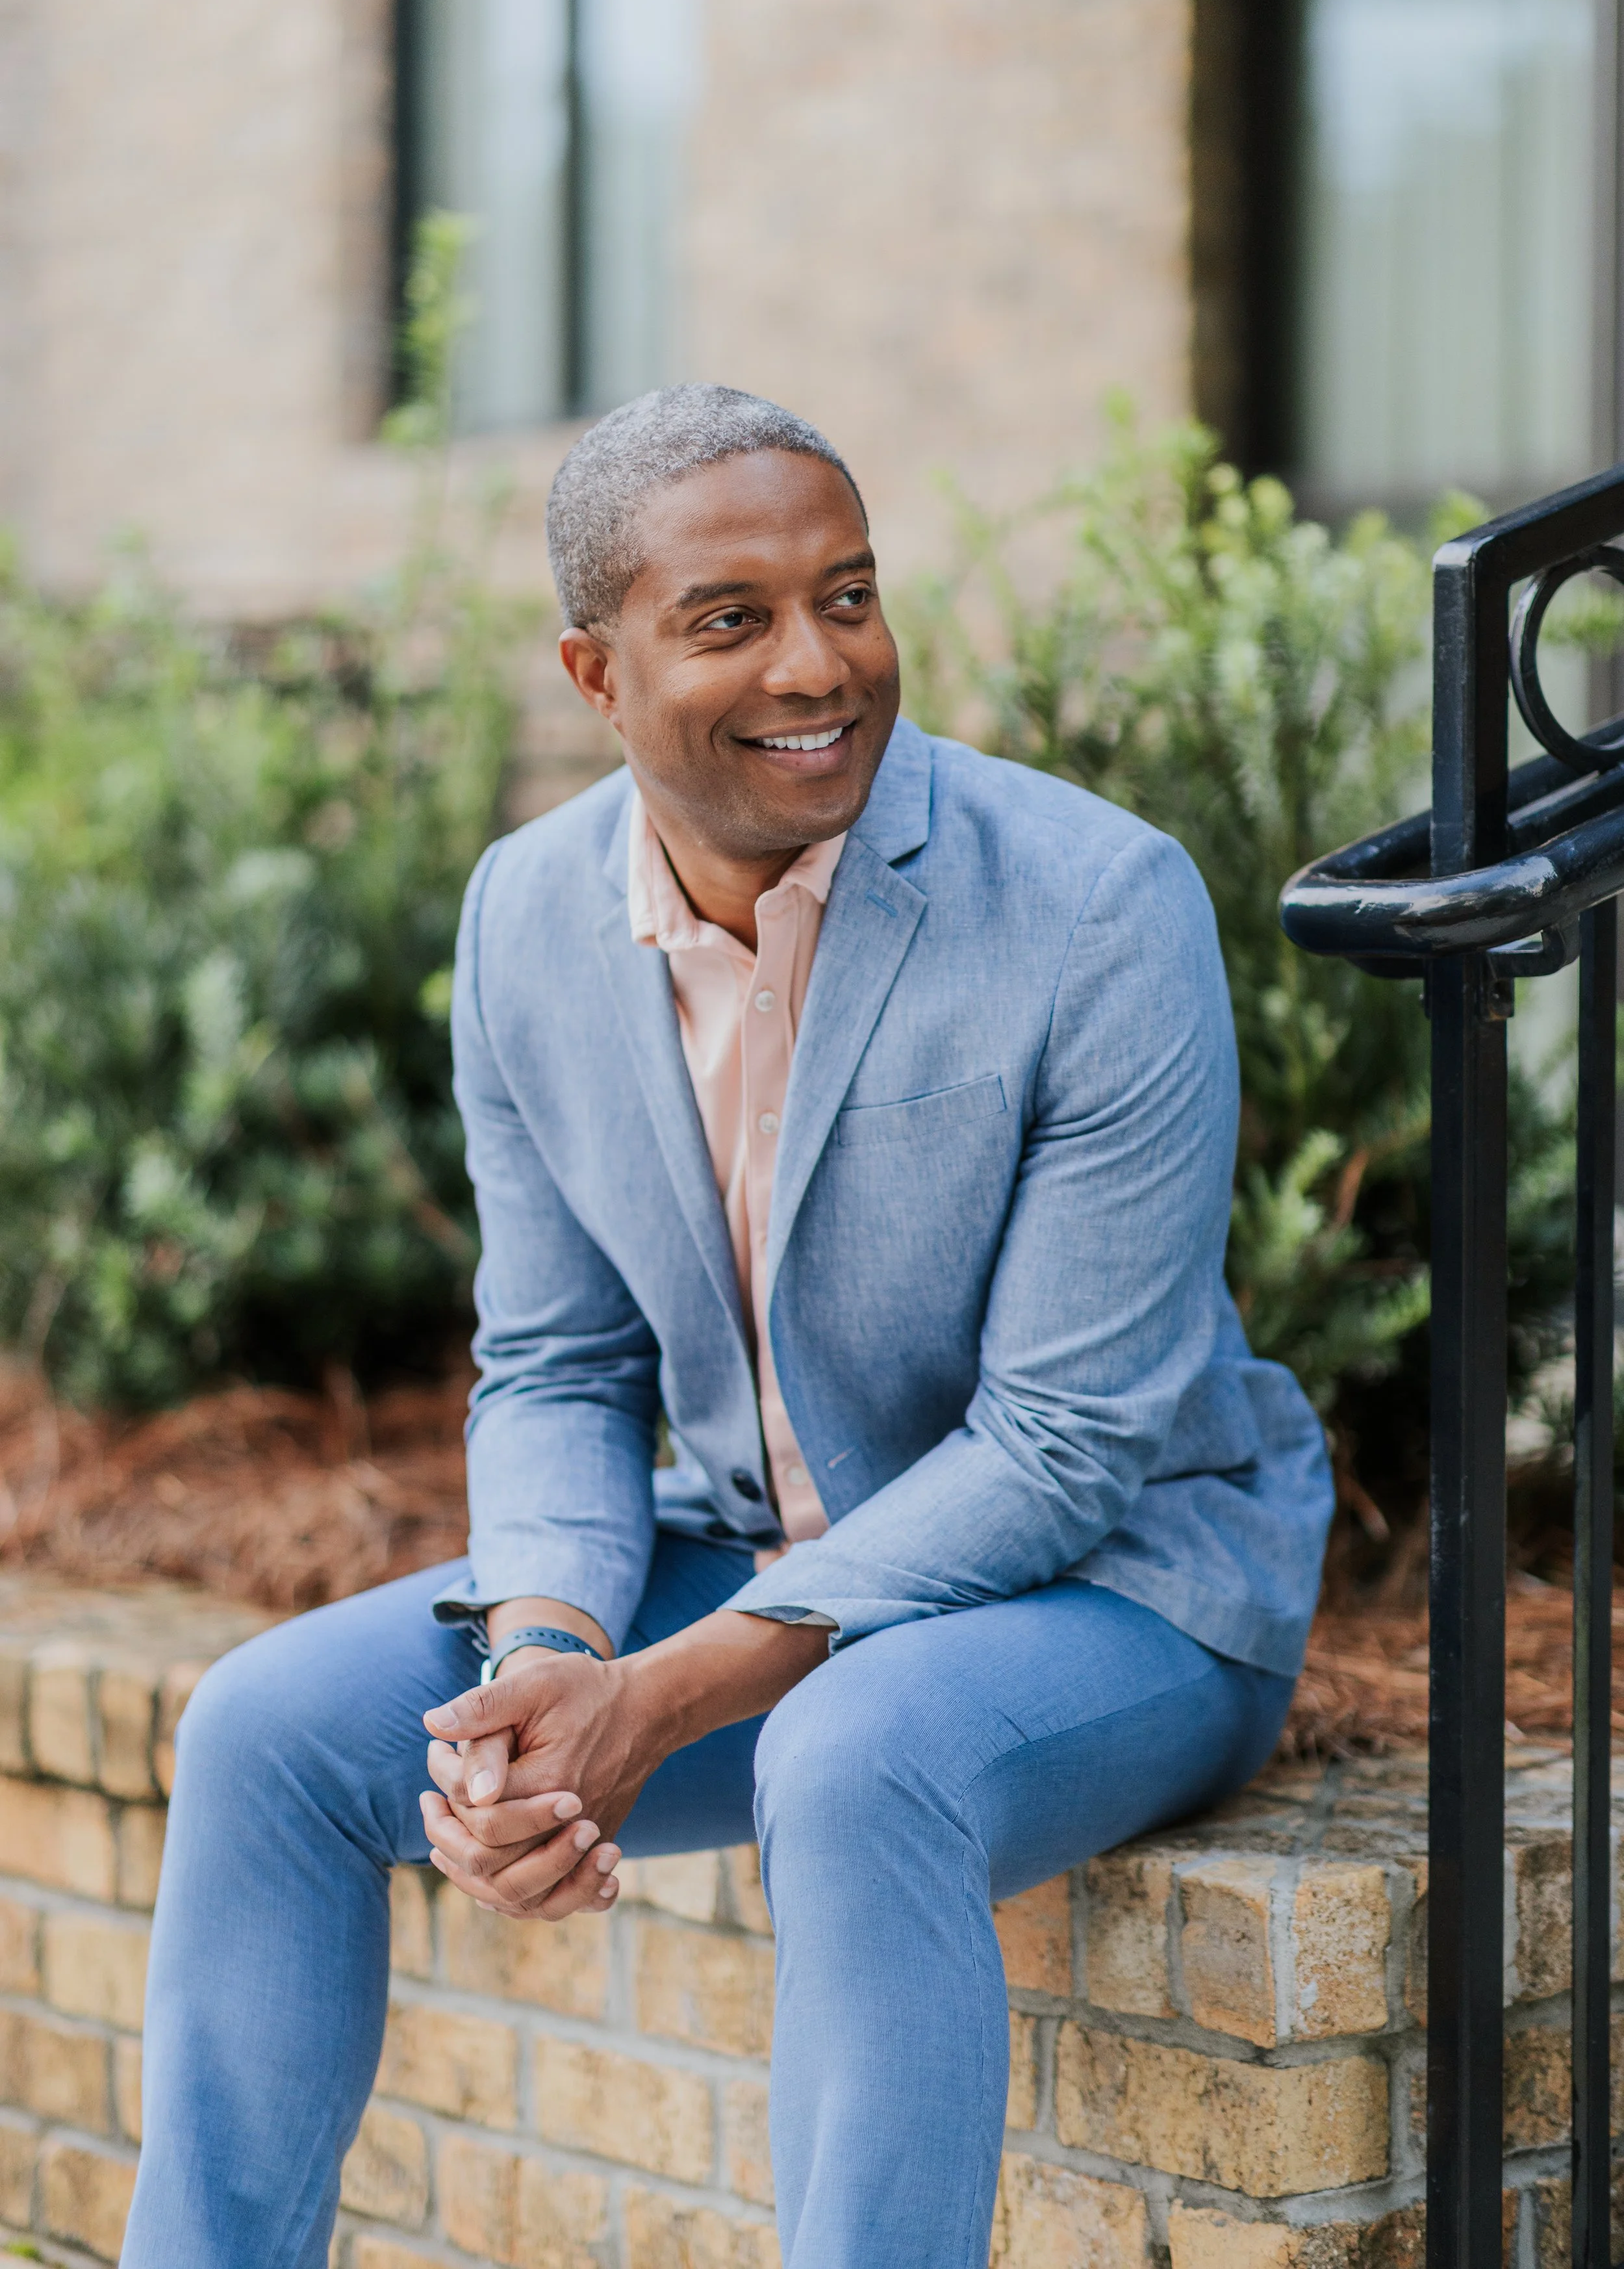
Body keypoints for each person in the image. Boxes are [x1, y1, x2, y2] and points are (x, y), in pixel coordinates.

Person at [122, 385, 1332, 2269]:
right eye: (731, 618)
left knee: (857, 1751)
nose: (818, 663)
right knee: (269, 1727)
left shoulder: (1096, 902)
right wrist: (546, 1651)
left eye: (846, 596)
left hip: (1126, 1588)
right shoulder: (524, 916)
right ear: (591, 672)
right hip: (738, 1551)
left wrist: (653, 1701)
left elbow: (1064, 1444)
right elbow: (556, 1363)